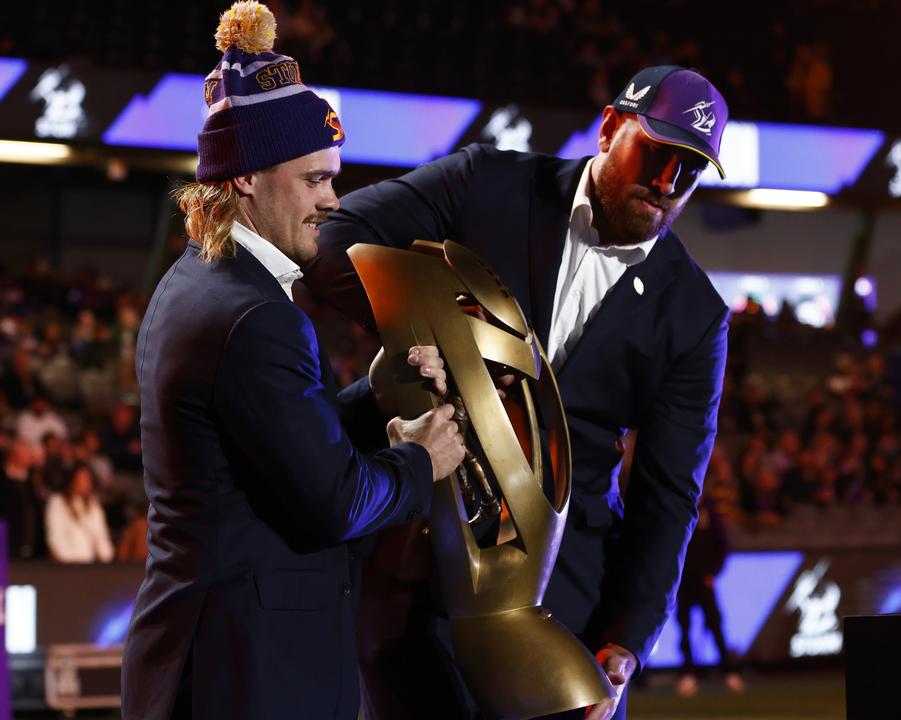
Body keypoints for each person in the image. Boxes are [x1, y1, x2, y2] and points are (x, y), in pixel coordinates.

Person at [307, 64, 731, 720]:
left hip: (561, 600)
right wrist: (439, 323)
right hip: (415, 569)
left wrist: (624, 641)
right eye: (658, 153)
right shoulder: (488, 182)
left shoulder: (695, 315)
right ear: (611, 128)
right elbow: (333, 240)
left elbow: (668, 497)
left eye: (691, 170)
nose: (669, 184)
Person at [119, 3, 466, 718]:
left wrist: (373, 397)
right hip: (248, 675)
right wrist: (421, 460)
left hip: (209, 659)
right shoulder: (256, 316)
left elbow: (268, 448)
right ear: (246, 177)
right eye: (315, 180)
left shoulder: (195, 283)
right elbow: (333, 503)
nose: (331, 200)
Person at [674, 495, 743, 697]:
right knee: (684, 627)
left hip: (704, 580)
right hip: (684, 581)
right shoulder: (680, 504)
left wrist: (713, 571)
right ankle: (688, 674)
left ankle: (729, 672)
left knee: (715, 625)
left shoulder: (710, 511)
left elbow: (722, 544)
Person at [45, 463, 113, 563]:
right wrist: (68, 560)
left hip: (90, 565)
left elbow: (101, 537)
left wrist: (107, 558)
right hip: (66, 564)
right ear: (72, 480)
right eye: (81, 479)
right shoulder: (57, 502)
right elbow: (55, 539)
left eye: (87, 480)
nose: (85, 483)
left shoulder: (93, 505)